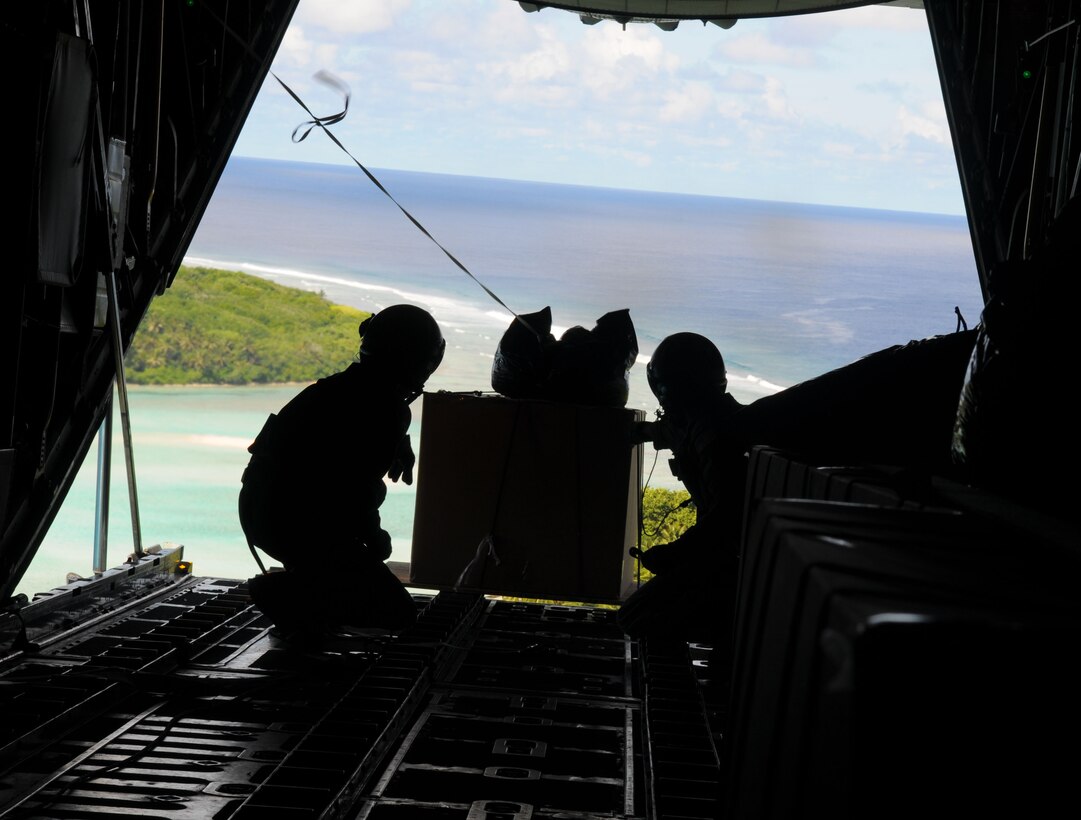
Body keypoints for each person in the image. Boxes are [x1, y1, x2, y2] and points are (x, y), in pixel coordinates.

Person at [238, 304, 445, 640]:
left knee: (352, 571)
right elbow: (354, 496)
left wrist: (397, 441)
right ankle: (285, 592)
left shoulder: (340, 388)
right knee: (396, 613)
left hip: (265, 512)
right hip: (294, 523)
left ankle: (304, 589)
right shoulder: (383, 408)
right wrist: (376, 541)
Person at [618, 332, 746, 659]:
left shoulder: (713, 437)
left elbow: (727, 517)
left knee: (637, 618)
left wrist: (674, 553)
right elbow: (670, 432)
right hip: (725, 558)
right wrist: (641, 433)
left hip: (729, 565)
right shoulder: (710, 418)